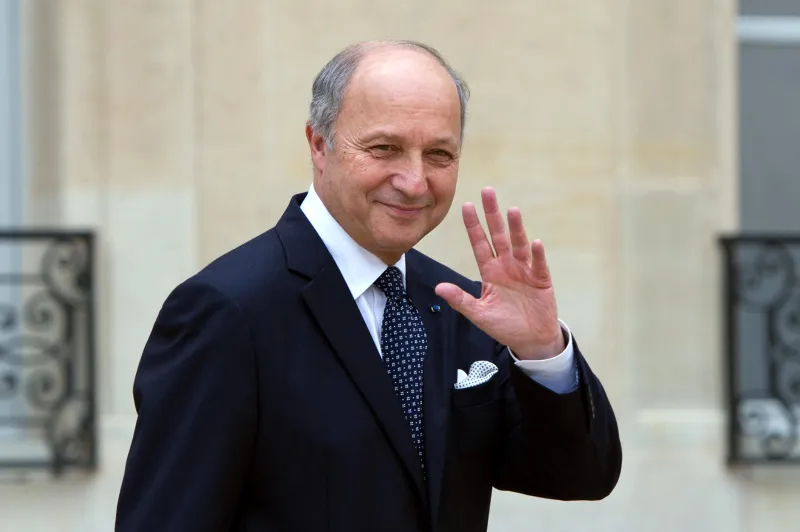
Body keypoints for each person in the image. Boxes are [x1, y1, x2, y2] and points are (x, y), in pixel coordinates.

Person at [115, 40, 622, 532]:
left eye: (440, 155)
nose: (415, 181)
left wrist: (541, 352)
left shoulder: (462, 305)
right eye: (385, 148)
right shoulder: (228, 311)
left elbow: (580, 476)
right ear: (319, 145)